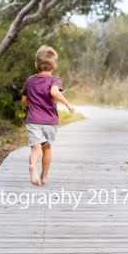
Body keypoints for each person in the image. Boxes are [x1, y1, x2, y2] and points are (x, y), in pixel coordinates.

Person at [21, 45, 75, 186]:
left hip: (33, 120)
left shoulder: (30, 81)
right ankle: (44, 176)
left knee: (36, 149)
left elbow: (24, 100)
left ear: (36, 65)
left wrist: (33, 105)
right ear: (54, 66)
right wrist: (68, 104)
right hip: (50, 121)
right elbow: (54, 92)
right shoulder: (54, 80)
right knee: (47, 148)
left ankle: (33, 164)